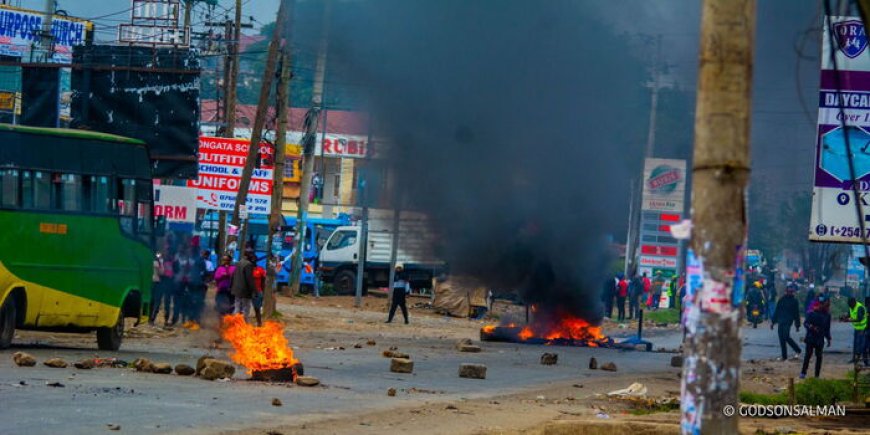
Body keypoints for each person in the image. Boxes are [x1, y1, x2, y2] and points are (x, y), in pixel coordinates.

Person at [801, 296, 832, 379]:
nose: (827, 307)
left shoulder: (827, 316)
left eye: (828, 305)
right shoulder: (812, 313)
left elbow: (827, 328)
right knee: (808, 355)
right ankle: (803, 373)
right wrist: (811, 327)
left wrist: (828, 338)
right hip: (811, 337)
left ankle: (817, 375)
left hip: (820, 339)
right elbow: (805, 323)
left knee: (819, 357)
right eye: (825, 305)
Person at [771, 286, 802, 360]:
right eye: (789, 291)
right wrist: (773, 322)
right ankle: (784, 356)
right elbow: (777, 311)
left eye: (791, 292)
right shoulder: (781, 300)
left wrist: (797, 325)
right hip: (781, 321)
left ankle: (798, 350)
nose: (790, 293)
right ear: (786, 291)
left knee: (786, 336)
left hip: (788, 321)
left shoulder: (794, 301)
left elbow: (796, 314)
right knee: (781, 339)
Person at [231, 250, 261, 325]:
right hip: (245, 291)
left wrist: (231, 286)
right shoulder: (248, 265)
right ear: (248, 256)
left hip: (236, 290)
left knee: (237, 308)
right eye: (251, 255)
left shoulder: (238, 263)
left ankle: (234, 324)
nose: (253, 257)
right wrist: (254, 290)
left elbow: (232, 276)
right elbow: (249, 279)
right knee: (245, 309)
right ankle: (243, 325)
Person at [842, 297, 868, 365]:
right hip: (857, 328)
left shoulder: (859, 307)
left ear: (854, 303)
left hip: (862, 328)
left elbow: (859, 319)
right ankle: (854, 359)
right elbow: (849, 314)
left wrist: (849, 320)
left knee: (861, 345)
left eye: (850, 305)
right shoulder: (852, 306)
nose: (850, 306)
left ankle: (863, 360)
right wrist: (844, 317)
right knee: (855, 344)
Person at [149, 253, 164, 325]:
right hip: (157, 282)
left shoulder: (149, 261)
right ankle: (152, 318)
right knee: (157, 301)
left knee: (151, 301)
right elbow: (161, 273)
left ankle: (149, 318)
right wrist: (161, 263)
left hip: (150, 282)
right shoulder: (157, 263)